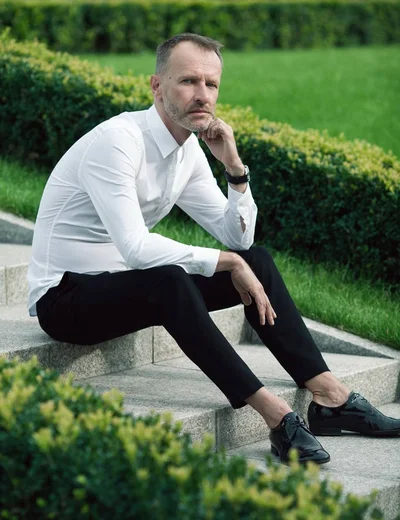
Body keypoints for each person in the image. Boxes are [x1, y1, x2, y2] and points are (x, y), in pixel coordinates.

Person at [28, 32, 400, 464]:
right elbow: (134, 248)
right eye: (188, 81)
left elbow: (239, 238)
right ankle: (276, 416)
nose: (202, 95)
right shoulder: (118, 142)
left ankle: (329, 396)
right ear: (156, 86)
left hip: (124, 287)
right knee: (174, 278)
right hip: (65, 299)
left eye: (211, 84)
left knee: (255, 262)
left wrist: (235, 169)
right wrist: (226, 264)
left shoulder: (187, 151)